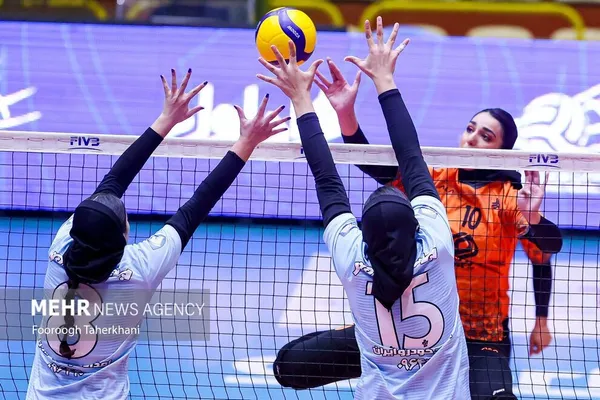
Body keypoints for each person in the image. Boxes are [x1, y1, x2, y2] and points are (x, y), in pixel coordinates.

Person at [273, 39, 562, 399]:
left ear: (502, 151)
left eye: (486, 136)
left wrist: (540, 316)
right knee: (289, 366)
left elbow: (548, 249)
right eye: (470, 128)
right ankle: (372, 344)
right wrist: (345, 114)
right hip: (405, 328)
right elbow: (376, 165)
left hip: (479, 335)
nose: (471, 139)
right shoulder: (436, 179)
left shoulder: (508, 197)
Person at [26, 69, 289, 399]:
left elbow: (113, 185)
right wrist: (246, 142)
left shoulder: (61, 248)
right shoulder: (139, 270)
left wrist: (165, 121)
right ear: (122, 237)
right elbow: (197, 205)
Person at [258, 17, 470, 399]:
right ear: (416, 227)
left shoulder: (353, 263)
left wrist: (301, 100)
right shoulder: (439, 247)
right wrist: (384, 79)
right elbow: (412, 158)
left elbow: (326, 180)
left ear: (364, 237)